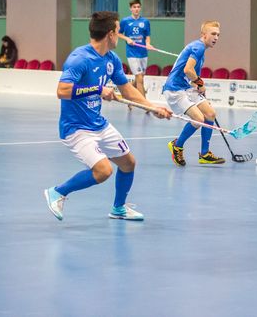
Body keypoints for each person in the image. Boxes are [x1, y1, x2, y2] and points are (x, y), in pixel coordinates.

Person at [44, 11, 171, 222]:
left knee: (128, 163)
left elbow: (127, 90)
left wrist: (152, 107)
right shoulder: (79, 59)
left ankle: (118, 208)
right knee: (103, 171)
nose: (120, 36)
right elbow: (62, 91)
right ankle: (57, 192)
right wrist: (97, 89)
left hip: (98, 124)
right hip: (76, 129)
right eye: (118, 31)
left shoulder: (112, 59)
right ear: (110, 34)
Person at [164, 21, 226, 167]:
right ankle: (177, 146)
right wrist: (200, 82)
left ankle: (205, 154)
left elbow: (189, 77)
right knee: (198, 119)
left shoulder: (200, 50)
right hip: (174, 88)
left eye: (218, 35)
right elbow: (188, 70)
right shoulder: (198, 47)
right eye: (213, 34)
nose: (216, 37)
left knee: (210, 114)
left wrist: (198, 86)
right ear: (204, 35)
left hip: (186, 87)